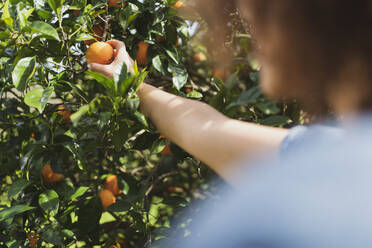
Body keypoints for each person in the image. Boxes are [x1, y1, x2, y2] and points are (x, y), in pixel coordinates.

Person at [89, 0, 372, 246]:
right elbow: (204, 128)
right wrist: (131, 81)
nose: (244, 12)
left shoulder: (262, 218)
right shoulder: (322, 157)